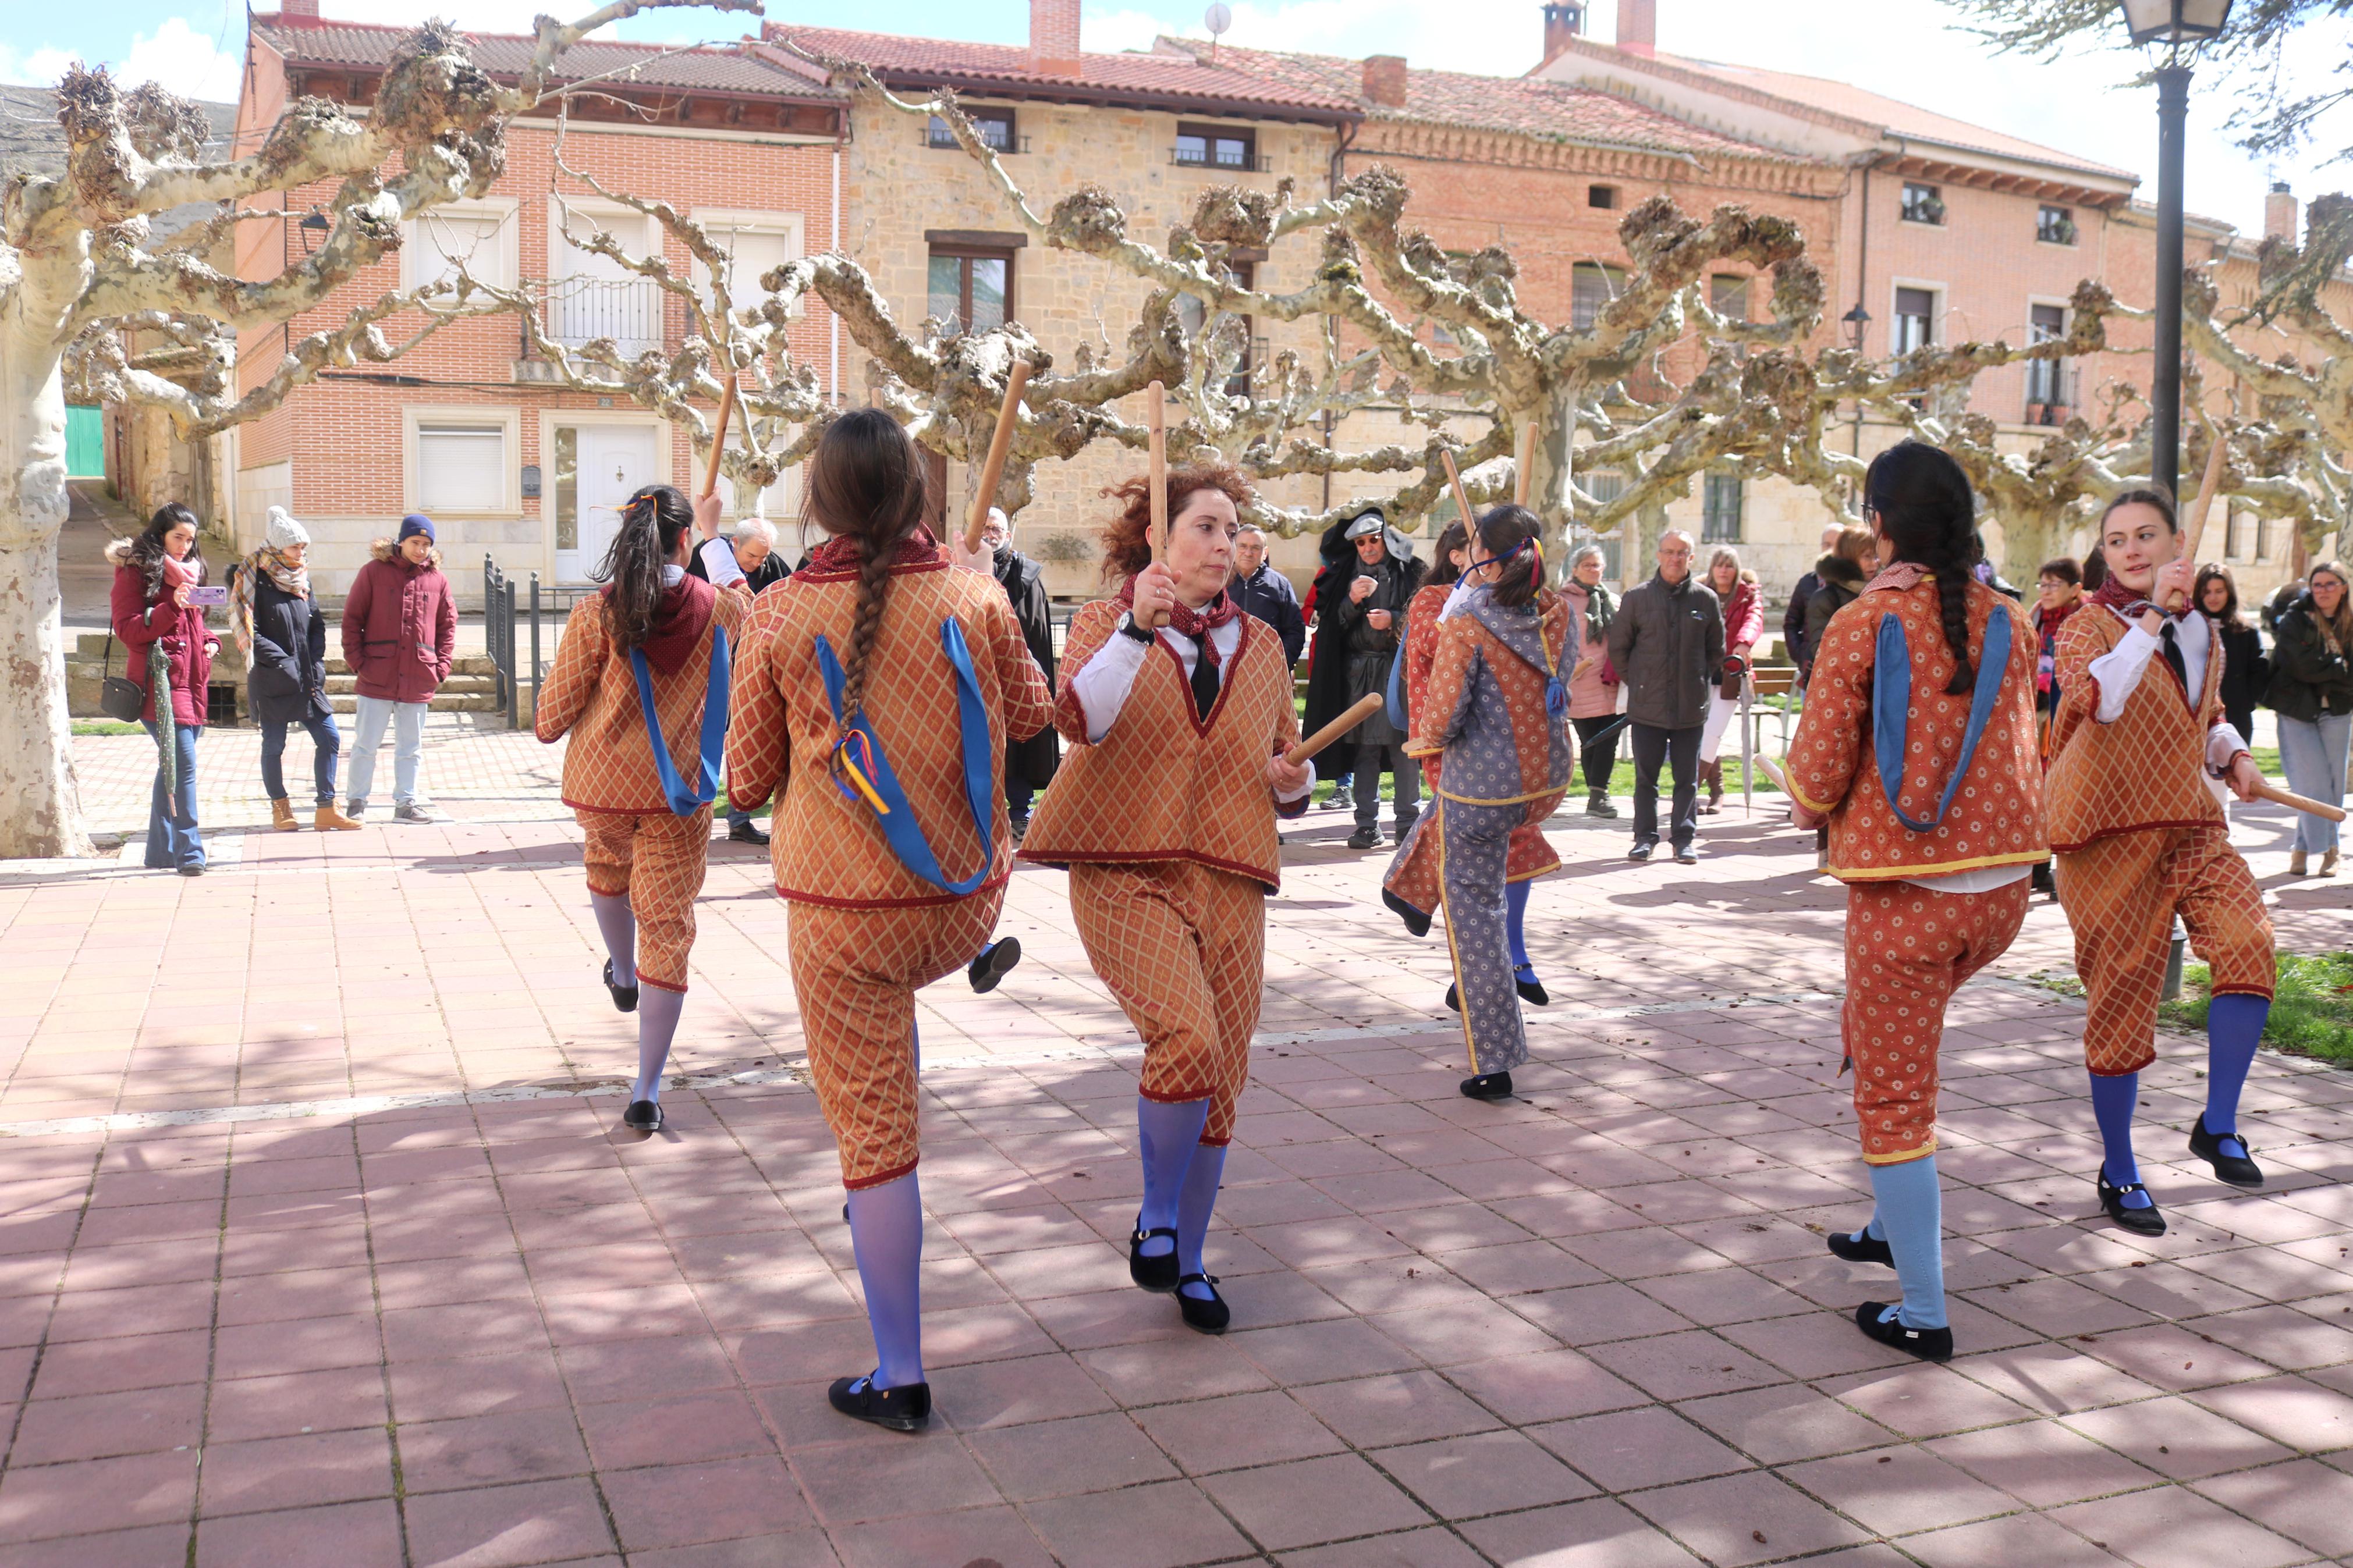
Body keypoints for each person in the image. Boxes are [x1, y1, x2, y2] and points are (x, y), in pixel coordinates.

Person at [726, 411, 1050, 1434]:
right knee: (888, 1044)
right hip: (961, 903)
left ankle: (899, 1373)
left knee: (874, 1138)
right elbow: (1036, 720)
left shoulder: (776, 616)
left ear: (819, 502)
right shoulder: (974, 593)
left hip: (843, 915)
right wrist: (970, 588)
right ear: (914, 496)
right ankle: (878, 1203)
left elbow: (742, 783)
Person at [1020, 461, 1311, 1338]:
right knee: (1185, 1036)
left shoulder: (1261, 643)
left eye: (1231, 529)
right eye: (1204, 527)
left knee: (1222, 1073)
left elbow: (1288, 767)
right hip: (1121, 865)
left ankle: (1187, 1261)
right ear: (1157, 538)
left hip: (1229, 869)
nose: (1223, 544)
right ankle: (1154, 1216)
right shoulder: (1107, 622)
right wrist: (1137, 635)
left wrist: (1292, 783)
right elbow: (1078, 719)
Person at [1783, 443, 2046, 1363]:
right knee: (1888, 1033)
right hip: (2002, 894)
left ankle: (1922, 1310)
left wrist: (1808, 806)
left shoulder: (1863, 621)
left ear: (1880, 523)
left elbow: (1813, 778)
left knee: (1895, 1094)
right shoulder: (2013, 617)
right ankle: (1889, 1222)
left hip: (1906, 898)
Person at [2048, 488, 2275, 1238]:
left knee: (2248, 945)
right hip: (2106, 838)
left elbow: (2203, 713)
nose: (2132, 549)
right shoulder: (2083, 627)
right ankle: (2119, 1169)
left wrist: (2233, 754)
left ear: (2177, 540)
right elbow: (2102, 701)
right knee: (2119, 1004)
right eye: (2116, 540)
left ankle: (2216, 1125)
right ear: (2103, 553)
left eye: (2146, 535)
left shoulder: (2203, 631)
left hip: (2193, 825)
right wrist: (2151, 617)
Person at [535, 484, 750, 1132]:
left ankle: (621, 972)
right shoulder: (723, 613)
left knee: (606, 869)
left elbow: (548, 721)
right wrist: (715, 539)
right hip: (677, 794)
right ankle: (647, 1086)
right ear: (684, 538)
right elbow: (751, 602)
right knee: (667, 926)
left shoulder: (595, 614)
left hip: (602, 787)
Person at [1385, 506, 1575, 1100]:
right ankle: (1406, 891)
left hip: (1484, 788)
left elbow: (1441, 717)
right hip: (1544, 778)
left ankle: (1492, 1061)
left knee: (1476, 926)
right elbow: (1561, 675)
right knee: (1451, 820)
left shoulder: (1467, 621)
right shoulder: (1559, 609)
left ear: (1487, 559)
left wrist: (1428, 737)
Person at [233, 506, 359, 834]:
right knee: (274, 745)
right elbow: (249, 630)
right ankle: (281, 807)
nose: (301, 553)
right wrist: (282, 662)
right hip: (273, 678)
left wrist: (315, 658)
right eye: (295, 547)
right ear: (276, 547)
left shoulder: (302, 578)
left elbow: (316, 622)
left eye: (303, 547)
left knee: (329, 738)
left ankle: (327, 808)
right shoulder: (253, 579)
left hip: (307, 677)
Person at [108, 503, 218, 874]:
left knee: (171, 766)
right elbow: (128, 630)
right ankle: (190, 852)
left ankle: (159, 851)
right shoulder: (135, 570)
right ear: (160, 535)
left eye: (190, 539)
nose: (185, 546)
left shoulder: (192, 572)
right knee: (183, 764)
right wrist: (171, 606)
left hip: (194, 682)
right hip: (158, 685)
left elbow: (197, 623)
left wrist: (211, 641)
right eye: (178, 537)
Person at [1606, 529, 1722, 864]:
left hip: (1690, 706)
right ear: (1659, 555)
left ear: (1692, 557)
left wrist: (1696, 681)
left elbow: (1716, 650)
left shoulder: (1705, 600)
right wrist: (1640, 682)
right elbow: (1619, 648)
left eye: (1682, 552)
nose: (1675, 558)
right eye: (1669, 552)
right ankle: (1644, 837)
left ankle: (1683, 839)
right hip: (1647, 707)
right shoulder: (1637, 598)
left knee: (1687, 779)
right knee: (1647, 778)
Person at [342, 514, 456, 824]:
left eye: (426, 544)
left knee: (411, 747)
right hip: (376, 675)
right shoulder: (373, 573)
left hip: (419, 676)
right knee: (365, 744)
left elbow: (448, 626)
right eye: (415, 543)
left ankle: (406, 803)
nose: (421, 550)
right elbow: (352, 620)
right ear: (401, 541)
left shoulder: (438, 581)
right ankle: (356, 801)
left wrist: (441, 668)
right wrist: (358, 663)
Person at [1329, 508, 1426, 848]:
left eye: (1374, 540)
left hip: (1398, 669)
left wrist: (1395, 619)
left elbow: (1427, 617)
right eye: (1360, 543)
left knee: (1403, 748)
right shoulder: (1344, 575)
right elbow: (1331, 628)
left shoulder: (1410, 571)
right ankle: (1367, 824)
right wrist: (1351, 602)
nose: (1368, 547)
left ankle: (1408, 823)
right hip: (1360, 673)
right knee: (1365, 750)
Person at [973, 507, 1060, 843]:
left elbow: (1036, 628)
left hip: (1018, 676)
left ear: (1009, 536)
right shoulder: (964, 572)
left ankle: (1020, 814)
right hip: (980, 676)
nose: (990, 535)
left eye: (996, 529)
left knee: (1022, 747)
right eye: (984, 528)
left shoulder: (1028, 577)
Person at [2267, 560, 2353, 877]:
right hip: (2297, 709)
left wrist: (2326, 668)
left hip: (2338, 710)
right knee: (2310, 782)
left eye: (2331, 584)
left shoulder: (2350, 622)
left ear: (2343, 587)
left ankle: (2302, 849)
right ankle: (2330, 849)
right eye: (2318, 585)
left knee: (2332, 784)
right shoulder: (2295, 617)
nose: (2323, 591)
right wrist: (2338, 668)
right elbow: (2301, 666)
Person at [2027, 557, 2086, 898]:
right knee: (2039, 791)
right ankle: (2039, 869)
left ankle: (2065, 872)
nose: (2046, 592)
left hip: (2070, 717)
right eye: (2043, 584)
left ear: (2075, 589)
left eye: (2054, 585)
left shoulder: (2084, 620)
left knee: (2067, 793)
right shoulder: (2035, 618)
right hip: (2038, 715)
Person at [1299, 513, 1363, 807]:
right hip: (1327, 662)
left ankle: (1352, 787)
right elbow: (1311, 608)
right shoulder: (1325, 575)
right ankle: (1342, 786)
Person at [1697, 545, 1761, 813]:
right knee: (1703, 734)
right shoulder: (1698, 593)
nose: (1724, 570)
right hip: (1698, 672)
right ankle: (1717, 792)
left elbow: (1754, 620)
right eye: (1719, 565)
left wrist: (1743, 644)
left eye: (1729, 565)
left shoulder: (1748, 595)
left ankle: (1689, 791)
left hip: (1731, 674)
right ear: (1712, 568)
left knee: (1712, 733)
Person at [1562, 544, 1622, 817]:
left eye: (1597, 565)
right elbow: (1558, 640)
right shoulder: (1563, 601)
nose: (1593, 570)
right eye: (1587, 565)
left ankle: (1599, 795)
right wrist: (1577, 667)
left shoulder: (1614, 600)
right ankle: (1596, 793)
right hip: (1581, 682)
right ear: (1575, 569)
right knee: (1590, 740)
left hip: (1610, 683)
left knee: (1609, 739)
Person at [2197, 563, 2267, 748]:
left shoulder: (2245, 631)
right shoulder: (2187, 627)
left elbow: (2259, 668)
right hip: (2196, 716)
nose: (2213, 597)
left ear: (2229, 592)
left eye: (2219, 591)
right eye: (2207, 592)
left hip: (2236, 715)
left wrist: (2246, 702)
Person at [1800, 527, 1872, 685]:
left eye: (1877, 556)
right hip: (1836, 685)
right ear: (1850, 558)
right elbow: (1821, 649)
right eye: (1867, 556)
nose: (1874, 563)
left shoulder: (1880, 593)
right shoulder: (1826, 597)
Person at [1230, 522, 1306, 664]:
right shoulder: (1219, 582)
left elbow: (1295, 630)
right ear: (1234, 548)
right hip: (1224, 670)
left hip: (1267, 669)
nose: (1248, 553)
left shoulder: (1280, 585)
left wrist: (1281, 664)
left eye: (1255, 548)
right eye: (1243, 546)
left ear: (1265, 553)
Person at [1781, 523, 1845, 674]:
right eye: (1827, 545)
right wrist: (1800, 655)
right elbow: (1791, 623)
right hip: (1812, 667)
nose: (1831, 550)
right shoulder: (1807, 583)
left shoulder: (1855, 584)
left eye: (1836, 545)